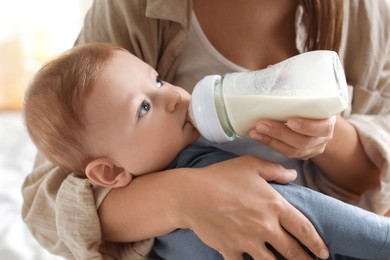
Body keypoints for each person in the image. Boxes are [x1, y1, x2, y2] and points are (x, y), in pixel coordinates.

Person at [21, 0, 390, 259]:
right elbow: (44, 205)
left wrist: (327, 134)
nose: (177, 99)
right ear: (110, 172)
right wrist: (181, 198)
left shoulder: (366, 15)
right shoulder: (131, 10)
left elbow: (355, 199)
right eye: (144, 107)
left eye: (161, 80)